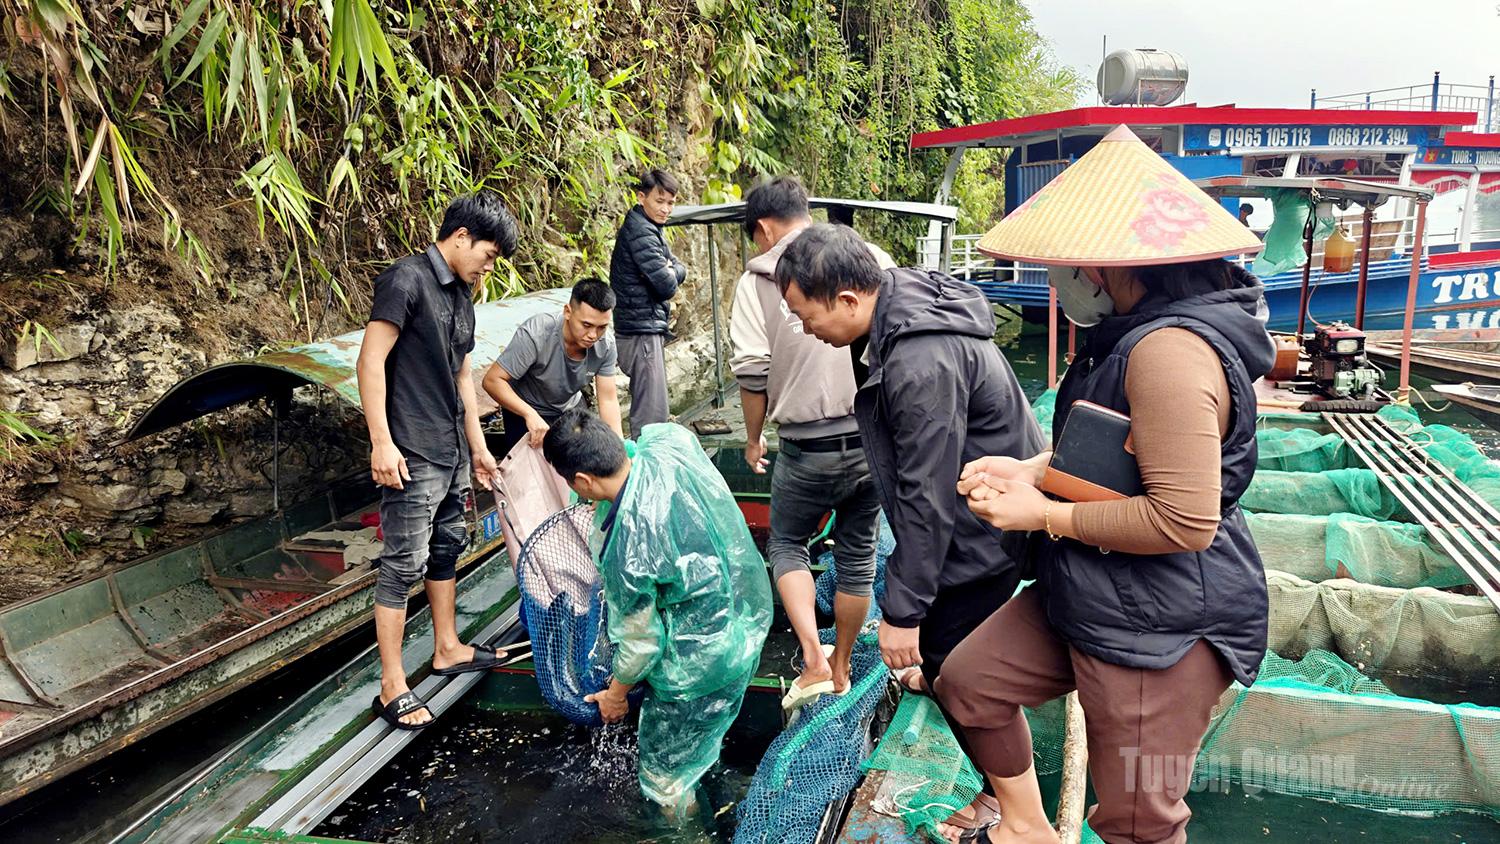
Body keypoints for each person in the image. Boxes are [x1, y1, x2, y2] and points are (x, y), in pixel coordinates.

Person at [936, 125, 1272, 844]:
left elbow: (1184, 520)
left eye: (1064, 266)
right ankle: (1026, 827)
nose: (1057, 281)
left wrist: (1041, 515)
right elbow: (1116, 455)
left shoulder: (1168, 352)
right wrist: (1031, 470)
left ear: (1108, 265)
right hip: (1090, 587)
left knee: (1137, 824)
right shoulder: (1127, 335)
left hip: (1162, 621)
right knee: (969, 683)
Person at [775, 223, 1046, 840]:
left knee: (962, 673)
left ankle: (1011, 812)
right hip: (979, 516)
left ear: (849, 299)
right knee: (950, 660)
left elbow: (929, 493)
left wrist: (903, 612)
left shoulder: (919, 361)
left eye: (805, 315)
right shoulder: (900, 309)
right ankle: (988, 769)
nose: (804, 329)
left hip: (986, 528)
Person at [543, 408, 772, 814]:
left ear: (582, 480)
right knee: (702, 744)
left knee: (667, 781)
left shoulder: (627, 546)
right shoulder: (666, 443)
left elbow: (643, 643)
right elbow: (663, 438)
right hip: (741, 624)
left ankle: (687, 833)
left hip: (696, 671)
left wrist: (616, 696)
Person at [357, 191, 520, 729]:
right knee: (403, 563)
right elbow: (370, 361)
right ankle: (392, 685)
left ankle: (447, 646)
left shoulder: (462, 295)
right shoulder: (404, 280)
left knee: (448, 544)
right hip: (411, 448)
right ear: (461, 237)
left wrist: (478, 447)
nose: (489, 266)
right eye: (488, 255)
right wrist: (381, 441)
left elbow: (462, 376)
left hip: (450, 447)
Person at [728, 175, 892, 714]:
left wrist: (754, 440)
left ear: (763, 228)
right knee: (858, 554)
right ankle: (842, 667)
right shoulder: (869, 259)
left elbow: (752, 373)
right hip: (870, 441)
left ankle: (813, 658)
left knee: (787, 544)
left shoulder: (758, 280)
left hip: (804, 448)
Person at [482, 277, 623, 455]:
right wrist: (529, 414)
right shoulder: (536, 334)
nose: (593, 335)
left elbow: (608, 400)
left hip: (569, 407)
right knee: (529, 464)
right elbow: (492, 381)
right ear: (567, 312)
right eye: (586, 325)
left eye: (601, 327)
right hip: (526, 408)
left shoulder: (606, 345)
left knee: (584, 457)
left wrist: (620, 448)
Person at [610, 169, 685, 437]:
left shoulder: (649, 228)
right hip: (640, 330)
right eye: (659, 201)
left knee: (653, 409)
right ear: (642, 197)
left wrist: (672, 269)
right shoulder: (641, 231)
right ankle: (646, 461)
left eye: (670, 203)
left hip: (643, 326)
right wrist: (671, 271)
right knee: (651, 415)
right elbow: (666, 286)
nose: (665, 209)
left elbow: (677, 267)